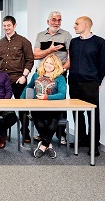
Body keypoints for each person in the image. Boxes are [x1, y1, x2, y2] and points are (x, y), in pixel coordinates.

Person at [68, 16, 105, 157]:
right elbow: (71, 61)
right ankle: (82, 139)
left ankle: (93, 144)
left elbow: (103, 65)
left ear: (86, 25)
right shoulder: (73, 42)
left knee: (92, 115)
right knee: (77, 114)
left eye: (77, 23)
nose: (74, 26)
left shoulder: (99, 42)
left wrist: (98, 82)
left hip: (90, 83)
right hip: (73, 82)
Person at [33, 11, 72, 144]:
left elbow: (70, 57)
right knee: (41, 103)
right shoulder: (40, 35)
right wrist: (50, 50)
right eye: (54, 20)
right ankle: (43, 133)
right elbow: (36, 55)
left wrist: (61, 71)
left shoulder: (66, 35)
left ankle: (61, 134)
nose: (56, 22)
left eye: (59, 20)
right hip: (42, 74)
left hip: (60, 74)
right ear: (48, 21)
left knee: (59, 103)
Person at [0, 16, 34, 143]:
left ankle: (25, 132)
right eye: (4, 25)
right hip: (2, 81)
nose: (6, 28)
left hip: (19, 79)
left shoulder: (24, 42)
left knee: (23, 108)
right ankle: (2, 133)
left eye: (9, 25)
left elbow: (30, 60)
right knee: (1, 107)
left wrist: (24, 76)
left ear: (14, 26)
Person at [20, 54, 67, 159]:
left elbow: (62, 94)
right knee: (40, 124)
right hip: (38, 108)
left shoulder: (60, 78)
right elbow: (29, 87)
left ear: (56, 65)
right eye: (46, 62)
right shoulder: (37, 75)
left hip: (55, 108)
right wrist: (21, 99)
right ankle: (49, 145)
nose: (48, 65)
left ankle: (42, 146)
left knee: (51, 125)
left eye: (51, 63)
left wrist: (46, 97)